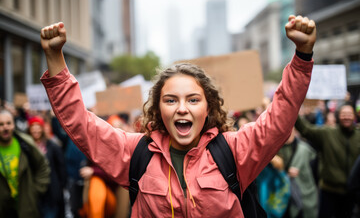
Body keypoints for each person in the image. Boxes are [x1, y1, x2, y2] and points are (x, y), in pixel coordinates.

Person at [39, 15, 316, 217]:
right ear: (159, 109)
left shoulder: (235, 150)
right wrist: (55, 61)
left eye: (193, 100)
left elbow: (281, 116)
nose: (182, 108)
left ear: (208, 108)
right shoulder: (135, 153)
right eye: (171, 100)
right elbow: (80, 123)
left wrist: (302, 58)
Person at [295, 104, 360, 217]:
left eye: (349, 114)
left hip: (351, 195)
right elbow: (305, 129)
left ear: (354, 116)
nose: (346, 117)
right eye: (343, 114)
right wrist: (292, 109)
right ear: (338, 116)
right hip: (329, 193)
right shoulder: (327, 133)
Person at [0, 109, 50, 218]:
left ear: (14, 125)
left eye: (8, 123)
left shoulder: (26, 143)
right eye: (1, 124)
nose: (5, 127)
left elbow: (43, 167)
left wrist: (35, 191)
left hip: (26, 205)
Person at [28, 116, 67, 218]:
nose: (36, 130)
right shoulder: (26, 147)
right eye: (33, 127)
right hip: (33, 192)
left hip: (51, 192)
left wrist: (60, 187)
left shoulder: (53, 146)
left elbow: (61, 168)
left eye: (38, 127)